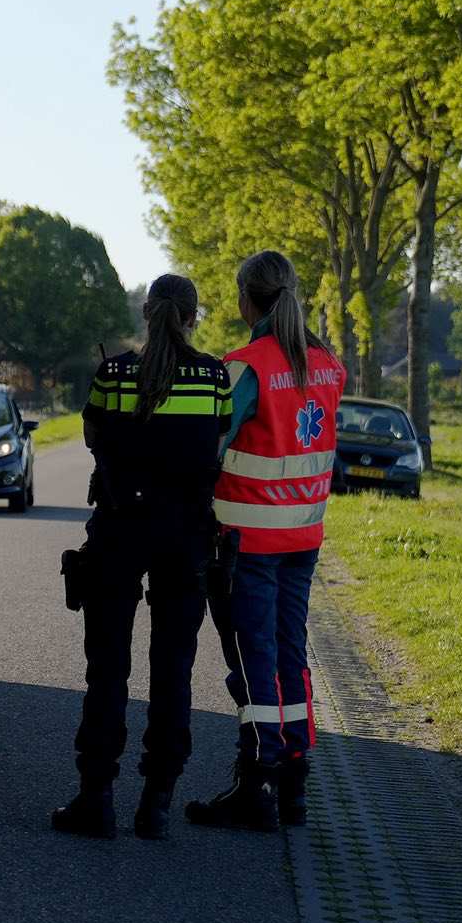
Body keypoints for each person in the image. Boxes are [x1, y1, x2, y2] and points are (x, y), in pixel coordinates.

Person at [52, 274, 231, 840]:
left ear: (148, 311)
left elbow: (93, 436)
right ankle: (157, 802)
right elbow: (217, 442)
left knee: (107, 668)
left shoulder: (113, 373)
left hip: (119, 532)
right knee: (173, 669)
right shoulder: (214, 376)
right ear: (193, 317)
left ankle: (96, 797)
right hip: (186, 535)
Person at [187, 250, 345, 832]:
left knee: (255, 658)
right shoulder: (327, 362)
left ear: (244, 299)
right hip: (304, 536)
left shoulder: (245, 365)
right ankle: (296, 779)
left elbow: (213, 444)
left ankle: (256, 781)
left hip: (247, 538)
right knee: (289, 651)